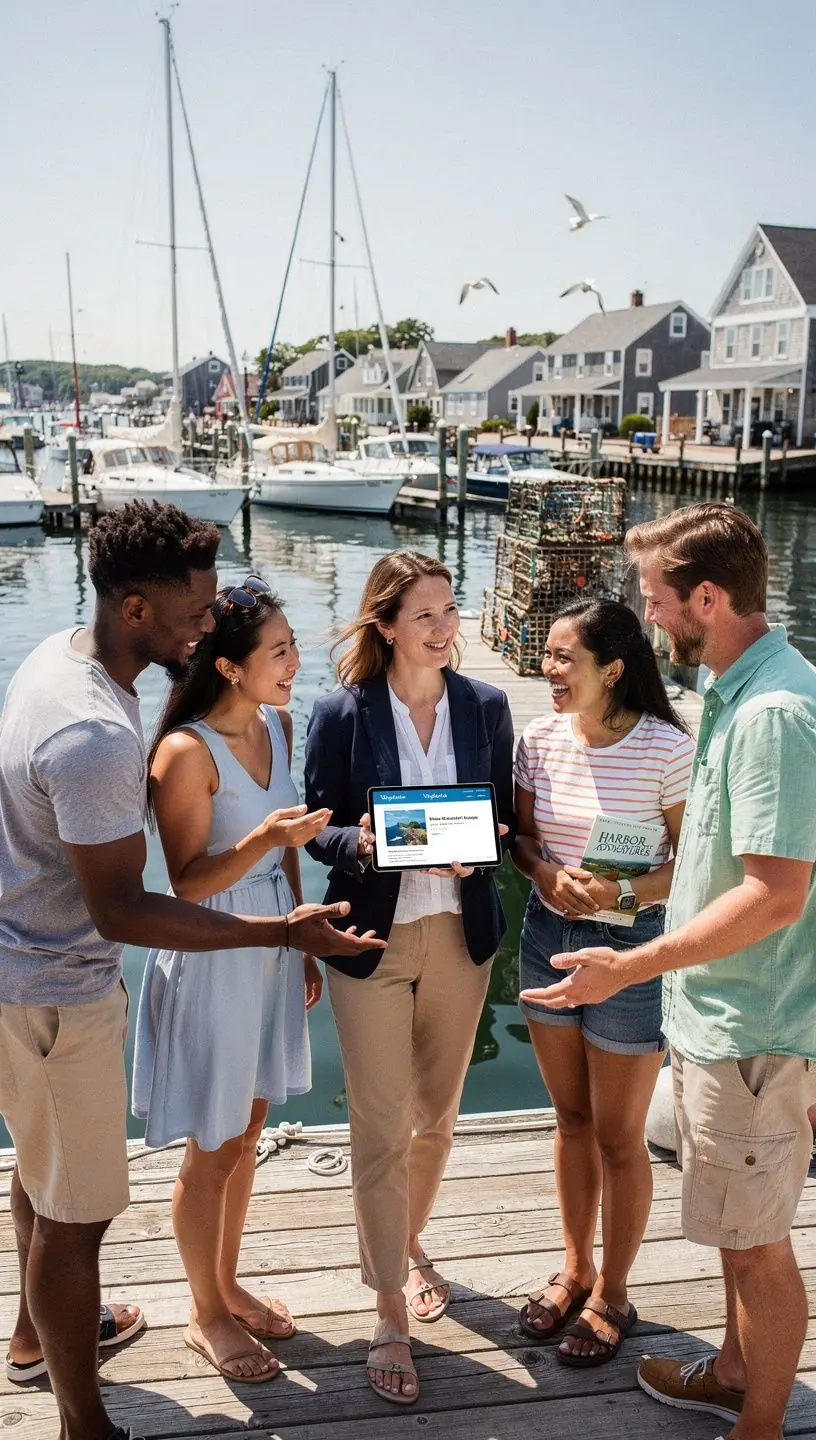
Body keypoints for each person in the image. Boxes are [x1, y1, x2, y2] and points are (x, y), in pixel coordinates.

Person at [0, 502, 384, 1440]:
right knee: (75, 1213)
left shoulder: (64, 655)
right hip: (55, 990)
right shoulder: (96, 734)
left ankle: (32, 1336)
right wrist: (282, 936)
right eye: (196, 610)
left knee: (42, 1179)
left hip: (28, 966)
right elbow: (125, 909)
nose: (208, 622)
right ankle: (85, 1423)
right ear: (136, 608)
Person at [523, 502, 816, 1440]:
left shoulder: (772, 712)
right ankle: (732, 1372)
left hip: (752, 1029)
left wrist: (632, 961)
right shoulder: (737, 691)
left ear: (706, 596)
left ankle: (759, 1426)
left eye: (656, 601)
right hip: (716, 1017)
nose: (648, 621)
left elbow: (776, 895)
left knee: (761, 1246)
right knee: (736, 1233)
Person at [304, 550, 513, 1406]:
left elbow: (500, 814)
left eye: (449, 610)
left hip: (461, 937)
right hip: (373, 942)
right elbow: (317, 828)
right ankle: (388, 1301)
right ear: (385, 624)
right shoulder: (340, 713)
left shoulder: (486, 705)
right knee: (381, 1122)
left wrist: (478, 849)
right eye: (424, 616)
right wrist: (360, 842)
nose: (443, 628)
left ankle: (405, 1240)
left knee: (437, 1120)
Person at [133, 576, 329, 1384]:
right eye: (278, 650)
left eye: (291, 645)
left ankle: (227, 1283)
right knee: (210, 1150)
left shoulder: (280, 725)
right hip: (214, 952)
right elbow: (186, 884)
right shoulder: (184, 753)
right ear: (228, 667)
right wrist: (263, 839)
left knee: (246, 1138)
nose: (294, 660)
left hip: (274, 945)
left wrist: (304, 937)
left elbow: (286, 848)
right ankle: (203, 1313)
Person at [512, 598, 693, 1367]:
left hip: (631, 952)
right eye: (547, 657)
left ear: (612, 669)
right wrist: (548, 874)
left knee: (622, 1137)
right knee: (572, 1118)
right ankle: (575, 1265)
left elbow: (689, 868)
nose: (548, 670)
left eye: (563, 657)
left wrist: (621, 896)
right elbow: (519, 840)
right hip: (547, 938)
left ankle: (614, 1291)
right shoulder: (537, 739)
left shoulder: (666, 748)